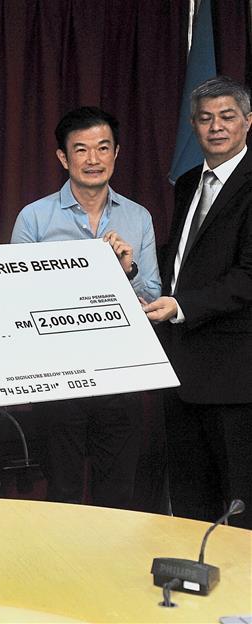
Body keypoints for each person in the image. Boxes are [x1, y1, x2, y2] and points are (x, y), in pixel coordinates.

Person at [11, 107, 161, 509]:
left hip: (120, 375)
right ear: (64, 158)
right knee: (61, 492)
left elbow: (152, 298)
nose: (93, 159)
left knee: (118, 493)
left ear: (116, 154)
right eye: (81, 150)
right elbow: (15, 300)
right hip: (59, 375)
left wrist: (126, 269)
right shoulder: (35, 219)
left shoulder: (138, 217)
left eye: (102, 148)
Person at [144, 76, 252, 529]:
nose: (216, 127)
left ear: (248, 122)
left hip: (234, 376)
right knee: (190, 507)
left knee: (239, 507)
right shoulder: (189, 182)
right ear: (193, 125)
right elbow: (182, 261)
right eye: (205, 119)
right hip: (181, 371)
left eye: (227, 117)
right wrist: (134, 272)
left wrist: (180, 305)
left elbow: (247, 277)